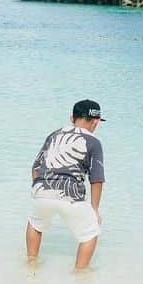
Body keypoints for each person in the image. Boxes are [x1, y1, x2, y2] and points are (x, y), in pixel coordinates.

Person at [25, 99, 106, 270]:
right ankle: (80, 273)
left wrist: (38, 189)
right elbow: (96, 179)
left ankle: (31, 264)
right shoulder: (93, 142)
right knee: (91, 232)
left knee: (35, 224)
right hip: (70, 196)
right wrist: (95, 210)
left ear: (72, 118)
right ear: (96, 121)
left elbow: (35, 168)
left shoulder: (54, 135)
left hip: (42, 190)